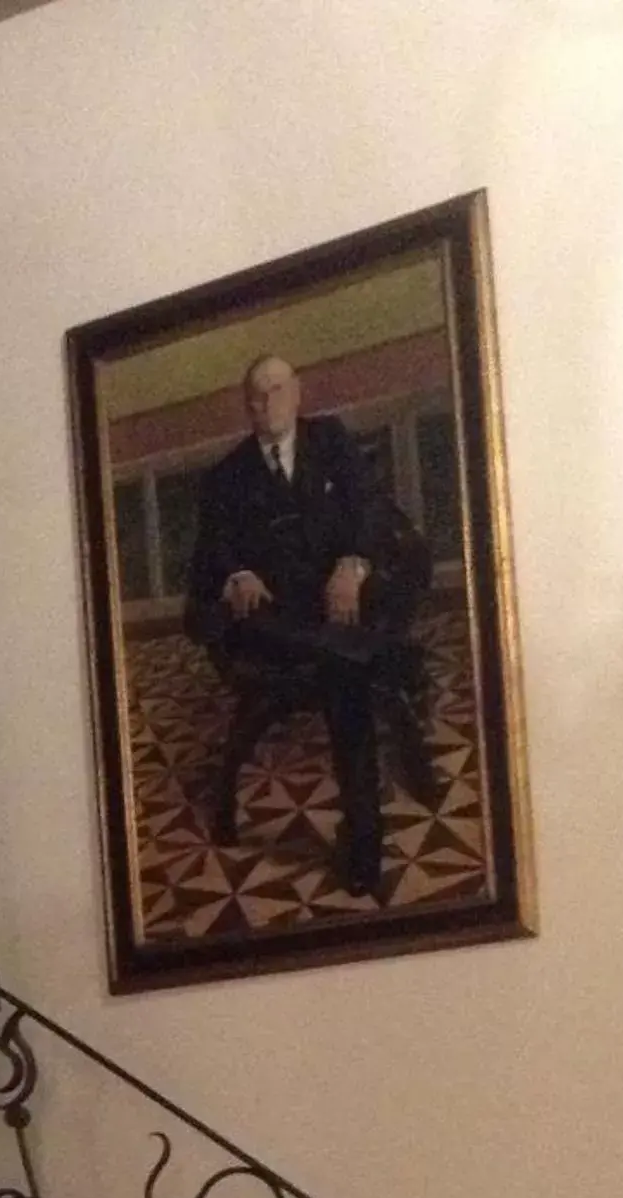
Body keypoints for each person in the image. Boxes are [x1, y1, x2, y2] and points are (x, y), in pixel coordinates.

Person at [185, 354, 430, 898]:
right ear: (245, 406)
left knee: (343, 670)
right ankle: (379, 662)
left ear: (297, 394)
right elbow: (208, 557)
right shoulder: (226, 476)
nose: (266, 402)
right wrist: (238, 573)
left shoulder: (331, 441)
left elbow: (368, 508)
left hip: (330, 610)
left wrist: (353, 563)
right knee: (347, 659)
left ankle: (363, 836)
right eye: (255, 395)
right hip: (268, 619)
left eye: (276, 390)